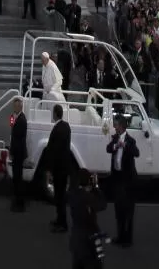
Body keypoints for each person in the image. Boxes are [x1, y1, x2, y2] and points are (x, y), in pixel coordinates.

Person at [106, 114, 138, 246]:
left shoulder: (130, 140)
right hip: (117, 179)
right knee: (118, 209)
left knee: (128, 210)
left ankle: (127, 239)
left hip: (128, 180)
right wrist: (116, 146)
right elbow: (108, 149)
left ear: (122, 127)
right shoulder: (115, 138)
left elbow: (136, 153)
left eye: (116, 125)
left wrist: (125, 146)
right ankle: (120, 236)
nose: (114, 127)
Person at [68, 168, 107, 269]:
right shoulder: (87, 197)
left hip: (76, 238)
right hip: (89, 239)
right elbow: (102, 205)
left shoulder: (73, 194)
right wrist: (96, 187)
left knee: (77, 264)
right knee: (96, 264)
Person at [44, 103, 73, 232]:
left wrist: (49, 169)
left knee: (59, 196)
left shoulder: (57, 129)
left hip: (59, 168)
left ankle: (63, 223)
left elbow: (54, 151)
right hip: (64, 167)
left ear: (55, 114)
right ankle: (59, 219)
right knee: (60, 195)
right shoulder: (66, 127)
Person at [9, 96, 28, 211]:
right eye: (14, 106)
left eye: (16, 106)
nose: (14, 108)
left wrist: (12, 151)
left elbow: (18, 138)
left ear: (20, 107)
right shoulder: (14, 117)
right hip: (16, 151)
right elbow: (11, 127)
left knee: (18, 178)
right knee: (16, 177)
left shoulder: (22, 119)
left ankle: (20, 203)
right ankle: (17, 200)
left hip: (19, 152)